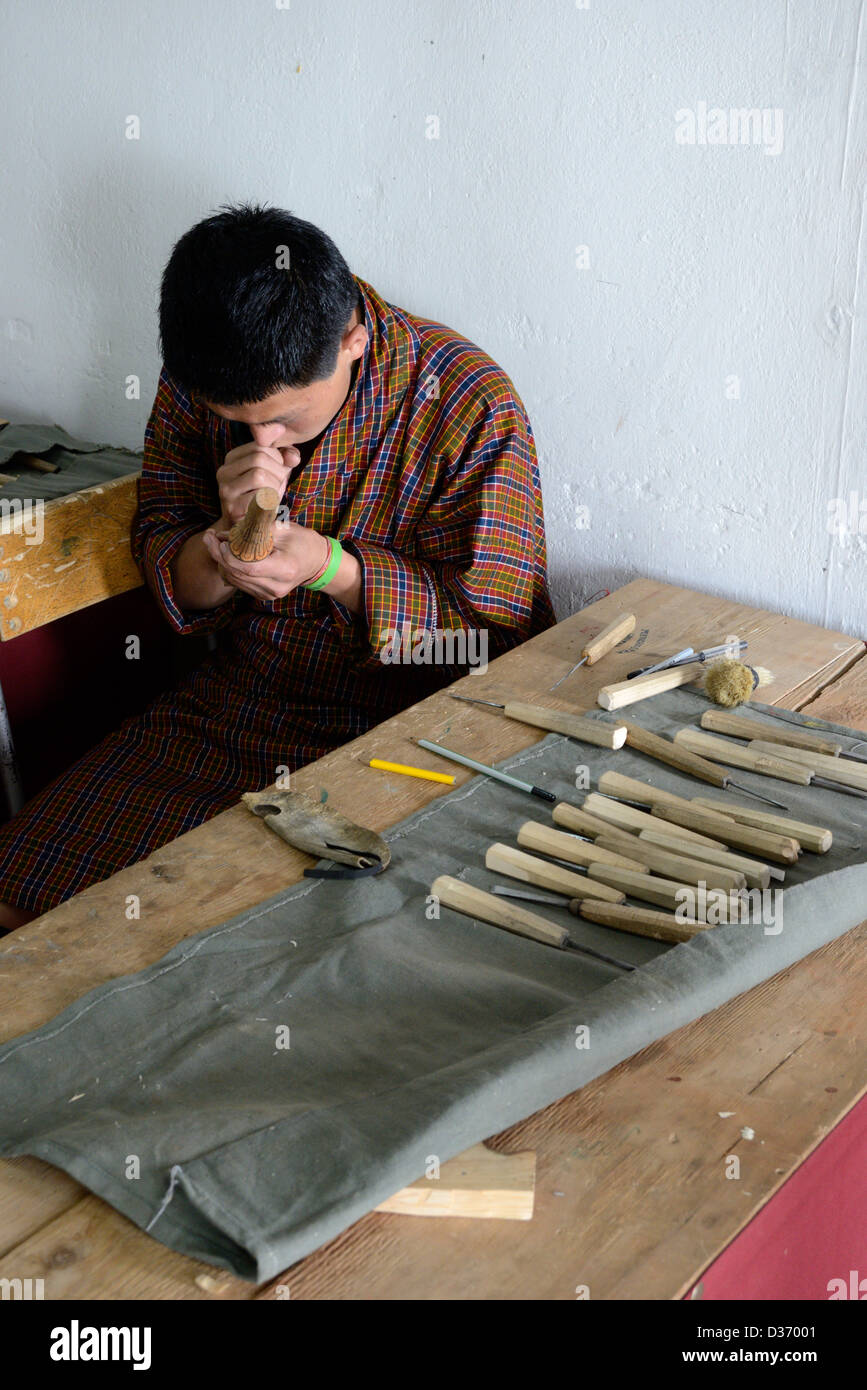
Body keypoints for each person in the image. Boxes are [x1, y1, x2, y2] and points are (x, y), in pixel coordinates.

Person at [0, 204, 555, 928]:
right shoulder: (204, 374)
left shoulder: (468, 402)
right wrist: (218, 555)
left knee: (256, 947)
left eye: (285, 417)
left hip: (401, 729)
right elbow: (164, 540)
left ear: (352, 341)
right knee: (22, 891)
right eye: (237, 416)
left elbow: (498, 642)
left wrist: (337, 571)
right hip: (236, 705)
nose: (259, 436)